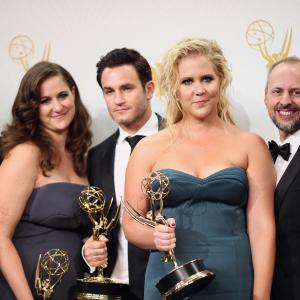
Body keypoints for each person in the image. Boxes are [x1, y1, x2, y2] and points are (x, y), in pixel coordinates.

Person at [122, 38, 276, 300]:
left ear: (221, 81)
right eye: (187, 81)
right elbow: (130, 223)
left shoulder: (251, 145)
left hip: (234, 280)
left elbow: (262, 227)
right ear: (175, 89)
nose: (199, 89)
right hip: (168, 282)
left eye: (207, 79)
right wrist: (155, 237)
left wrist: (261, 296)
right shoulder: (148, 148)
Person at [0, 61, 101, 300]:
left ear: (74, 94)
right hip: (23, 291)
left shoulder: (79, 156)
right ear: (32, 107)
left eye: (62, 95)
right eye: (45, 101)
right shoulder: (25, 154)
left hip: (69, 289)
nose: (57, 106)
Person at [84, 48, 164, 299]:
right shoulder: (97, 156)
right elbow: (95, 225)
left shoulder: (179, 139)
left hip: (168, 284)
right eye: (109, 91)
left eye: (126, 88)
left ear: (149, 89)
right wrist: (89, 250)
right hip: (115, 288)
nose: (118, 99)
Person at [264, 56, 300, 300]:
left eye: (297, 92)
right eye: (277, 91)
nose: (285, 101)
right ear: (266, 97)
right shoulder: (260, 154)